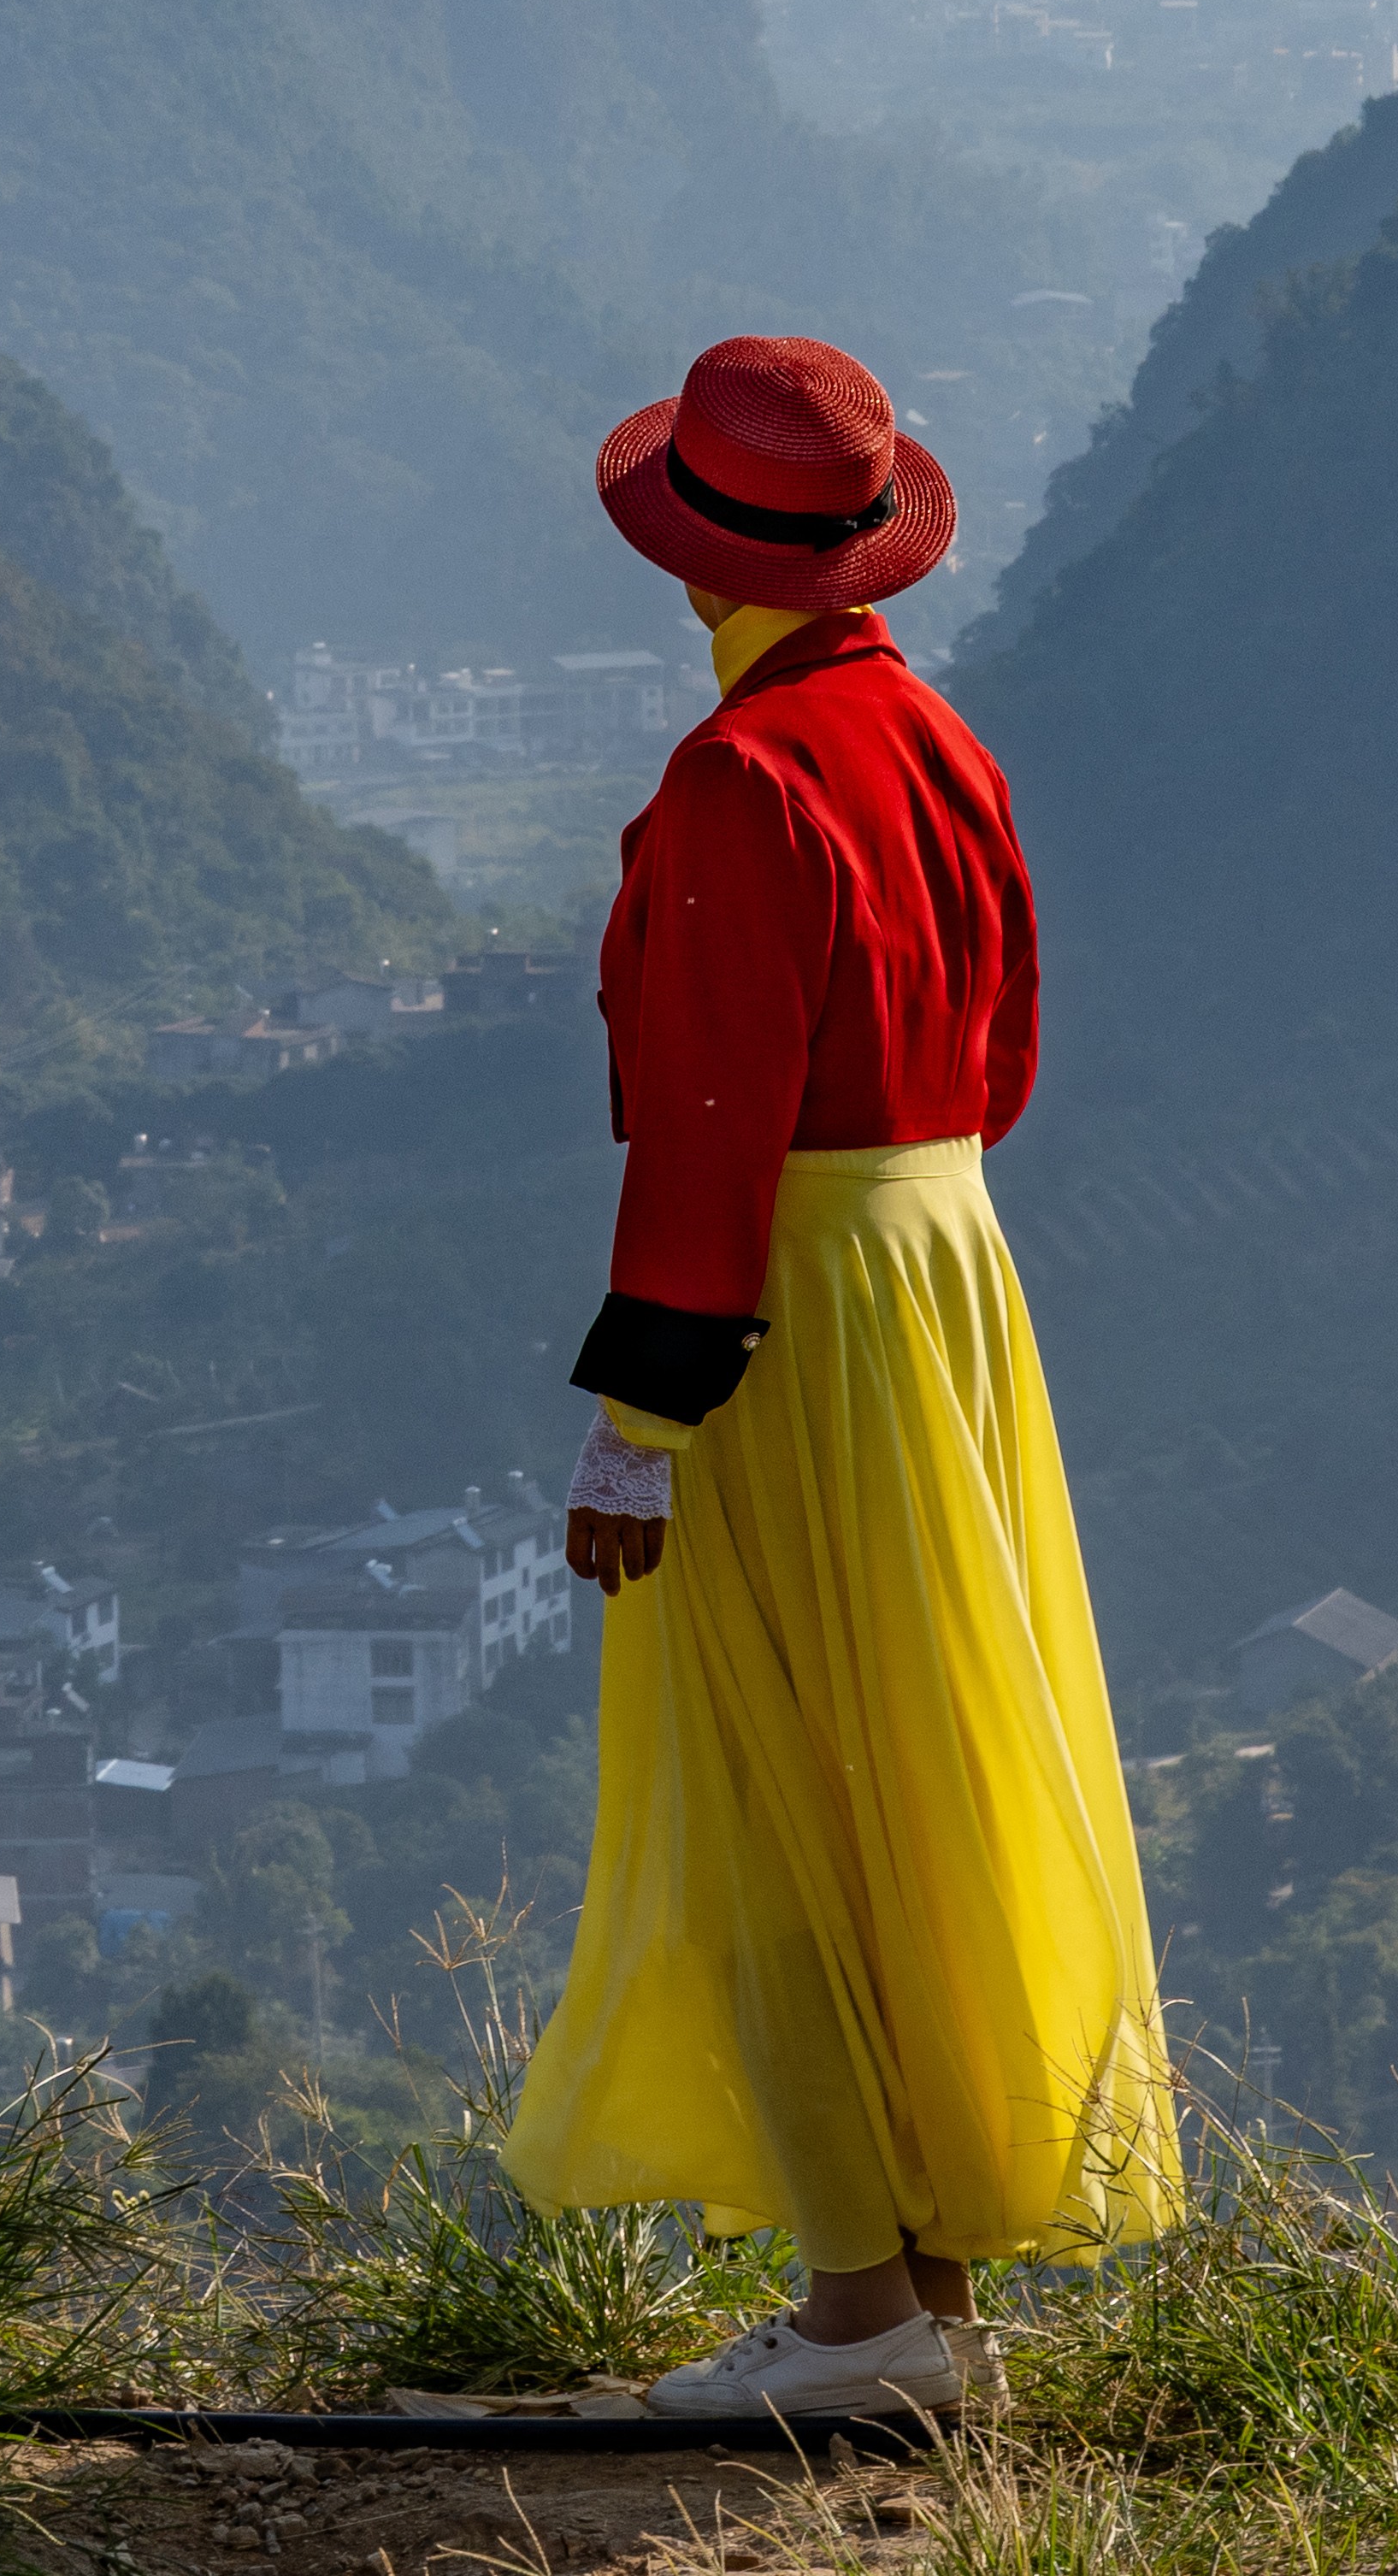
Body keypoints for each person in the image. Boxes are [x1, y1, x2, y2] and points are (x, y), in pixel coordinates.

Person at [498, 332, 1177, 2424]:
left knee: (766, 1777)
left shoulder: (739, 778)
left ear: (695, 566)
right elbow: (1006, 1059)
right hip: (947, 1272)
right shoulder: (935, 744)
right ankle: (936, 2297)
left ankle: (859, 2321)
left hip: (788, 1288)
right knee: (924, 1761)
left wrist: (643, 1419)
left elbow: (708, 1119)